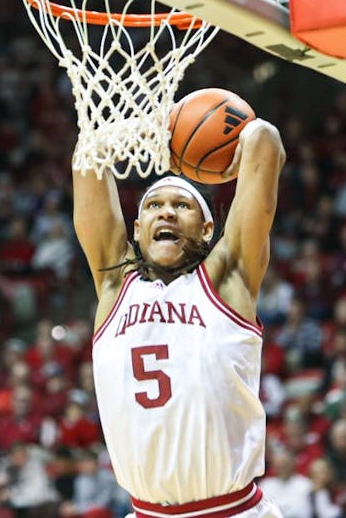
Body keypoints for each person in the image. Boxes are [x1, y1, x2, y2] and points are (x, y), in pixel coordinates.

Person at [75, 114, 285, 518]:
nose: (166, 212)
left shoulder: (227, 278)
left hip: (233, 511)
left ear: (208, 229)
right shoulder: (116, 286)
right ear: (136, 229)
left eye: (181, 205)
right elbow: (88, 155)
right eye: (154, 205)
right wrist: (145, 128)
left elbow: (265, 140)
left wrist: (190, 134)